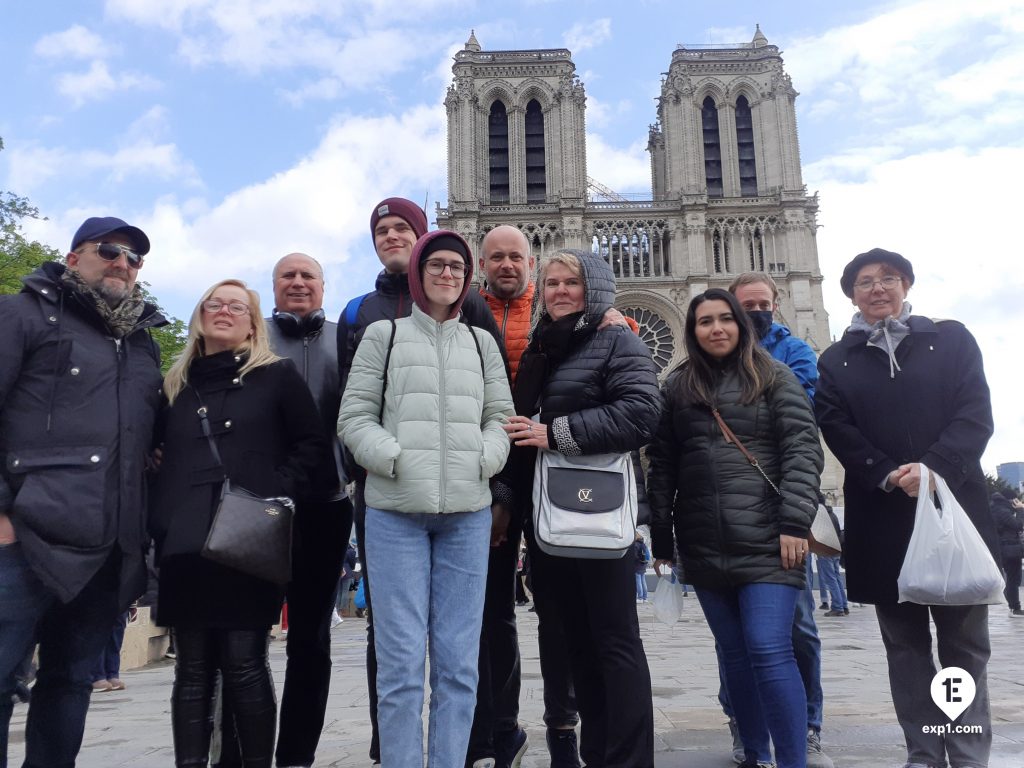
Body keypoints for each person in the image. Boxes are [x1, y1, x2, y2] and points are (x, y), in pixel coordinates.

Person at [336, 197, 505, 764]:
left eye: (457, 266)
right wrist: (392, 459)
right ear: (419, 272)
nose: (447, 274)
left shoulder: (482, 343)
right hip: (394, 515)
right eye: (437, 264)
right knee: (402, 662)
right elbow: (353, 416)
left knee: (458, 664)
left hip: (466, 514)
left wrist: (484, 457)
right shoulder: (382, 335)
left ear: (467, 279)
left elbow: (499, 420)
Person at [815, 248, 998, 768]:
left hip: (952, 511)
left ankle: (964, 753)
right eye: (866, 281)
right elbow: (836, 427)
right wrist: (886, 472)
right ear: (851, 293)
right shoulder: (836, 359)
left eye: (889, 279)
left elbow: (975, 413)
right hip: (884, 513)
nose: (878, 289)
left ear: (906, 284)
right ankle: (923, 752)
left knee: (965, 648)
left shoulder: (952, 339)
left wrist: (934, 466)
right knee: (906, 650)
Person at [0, 216, 166, 767]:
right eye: (109, 251)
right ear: (73, 259)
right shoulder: (22, 314)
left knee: (70, 683)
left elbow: (153, 439)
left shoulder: (142, 342)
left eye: (134, 258)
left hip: (105, 547)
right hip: (22, 539)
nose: (123, 263)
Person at [149, 279, 326, 768]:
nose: (224, 312)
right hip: (185, 539)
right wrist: (162, 516)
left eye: (237, 306)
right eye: (214, 303)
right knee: (191, 669)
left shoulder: (276, 375)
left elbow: (311, 445)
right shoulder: (173, 385)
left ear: (253, 322)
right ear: (199, 315)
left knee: (246, 663)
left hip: (246, 534)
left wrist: (274, 489)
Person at [495, 248, 661, 768]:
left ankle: (630, 759)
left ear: (596, 288)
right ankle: (597, 754)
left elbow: (641, 414)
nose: (561, 291)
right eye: (551, 284)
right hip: (547, 521)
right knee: (576, 646)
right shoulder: (543, 348)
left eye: (572, 282)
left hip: (597, 514)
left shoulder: (619, 338)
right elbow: (520, 429)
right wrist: (507, 501)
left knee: (614, 641)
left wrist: (559, 434)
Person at [648, 288, 823, 768]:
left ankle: (792, 760)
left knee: (769, 649)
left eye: (726, 319)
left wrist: (794, 521)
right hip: (704, 543)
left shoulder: (774, 375)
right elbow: (662, 465)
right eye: (705, 322)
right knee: (735, 656)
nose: (717, 329)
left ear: (742, 325)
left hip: (771, 539)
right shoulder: (678, 386)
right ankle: (754, 755)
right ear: (693, 330)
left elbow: (803, 451)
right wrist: (662, 538)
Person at [725, 271, 833, 767]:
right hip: (725, 510)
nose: (755, 311)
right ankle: (743, 725)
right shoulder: (713, 346)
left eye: (762, 303)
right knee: (734, 635)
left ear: (777, 303)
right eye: (744, 305)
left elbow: (803, 418)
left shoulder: (796, 350)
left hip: (780, 504)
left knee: (798, 628)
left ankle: (807, 724)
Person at [267, 252, 353, 768]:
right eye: (288, 276)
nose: (298, 283)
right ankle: (239, 750)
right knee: (240, 640)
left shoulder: (346, 339)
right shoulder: (249, 338)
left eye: (308, 276)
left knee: (310, 640)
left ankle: (296, 756)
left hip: (326, 505)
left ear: (323, 286)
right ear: (273, 286)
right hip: (256, 506)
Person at [991, 492, 1024, 617]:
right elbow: (1018, 526)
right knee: (1014, 579)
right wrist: (1021, 510)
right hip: (1009, 548)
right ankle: (1015, 607)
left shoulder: (996, 508)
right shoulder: (1003, 511)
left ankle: (1012, 603)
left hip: (1005, 548)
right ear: (1013, 500)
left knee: (1012, 579)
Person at [633, 533, 651, 603]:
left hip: (637, 565)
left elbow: (635, 556)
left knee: (638, 581)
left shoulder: (636, 545)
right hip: (643, 565)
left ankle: (640, 598)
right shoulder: (643, 544)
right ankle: (645, 598)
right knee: (643, 581)